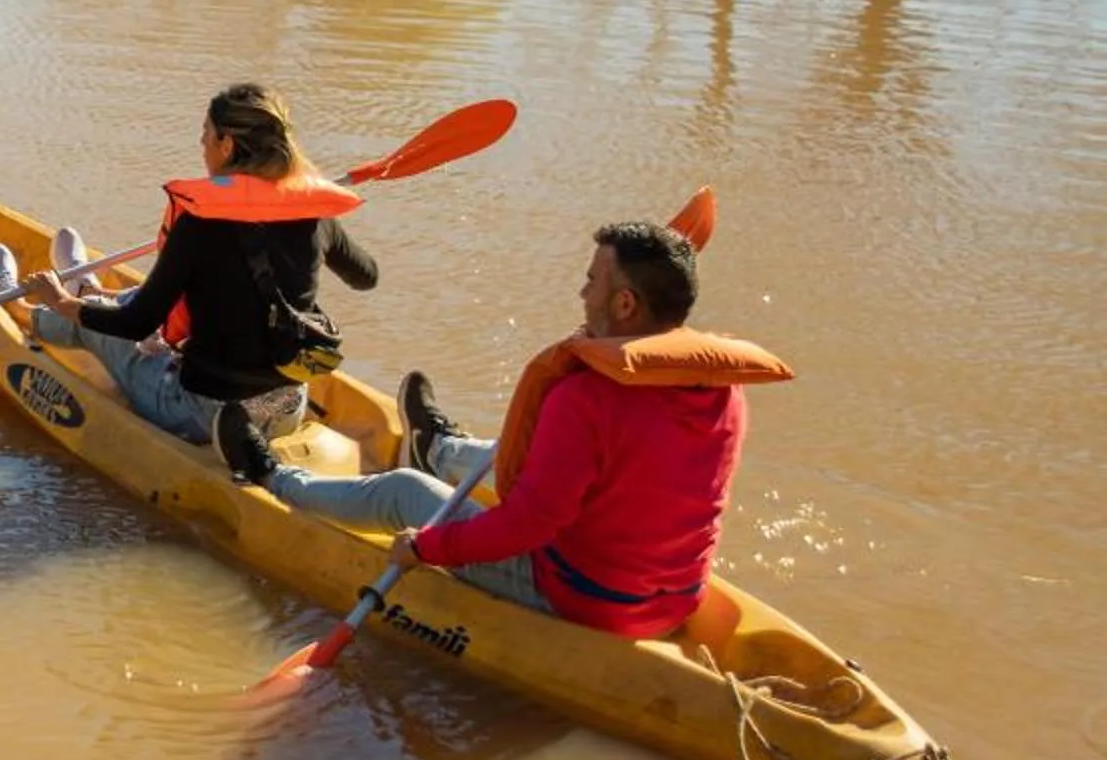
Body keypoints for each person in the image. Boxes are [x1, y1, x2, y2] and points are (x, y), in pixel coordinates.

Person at [214, 219, 792, 638]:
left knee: (403, 493)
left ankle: (270, 475)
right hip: (677, 599)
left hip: (585, 597)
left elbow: (529, 524)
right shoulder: (722, 389)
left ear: (624, 306)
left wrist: (429, 547)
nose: (580, 292)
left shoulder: (585, 396)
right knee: (514, 453)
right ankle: (437, 447)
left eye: (591, 281)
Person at [0, 82, 377, 447]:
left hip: (205, 416)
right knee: (167, 302)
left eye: (206, 134)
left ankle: (24, 306)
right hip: (289, 409)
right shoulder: (314, 213)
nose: (201, 143)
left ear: (227, 144)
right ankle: (88, 289)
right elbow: (366, 277)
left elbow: (134, 325)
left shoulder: (200, 223)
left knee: (100, 328)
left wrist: (61, 300)